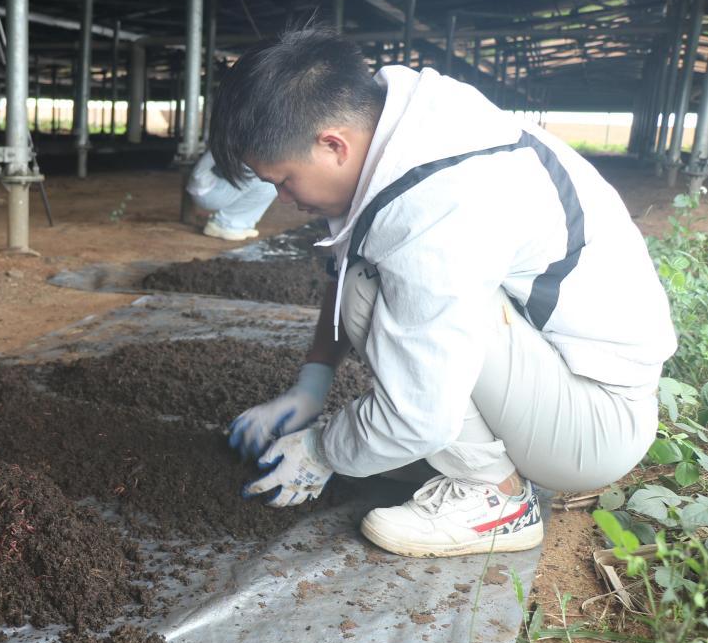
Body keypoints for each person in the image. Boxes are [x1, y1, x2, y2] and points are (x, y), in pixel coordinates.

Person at [213, 29, 676, 558]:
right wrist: (311, 384)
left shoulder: (436, 207)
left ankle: (496, 500)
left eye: (283, 179)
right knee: (370, 279)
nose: (283, 198)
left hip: (594, 421)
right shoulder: (407, 130)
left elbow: (420, 415)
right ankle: (483, 460)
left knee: (381, 290)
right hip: (557, 377)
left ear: (333, 144)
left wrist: (322, 447)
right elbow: (345, 272)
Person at [186, 149, 281, 241]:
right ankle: (224, 224)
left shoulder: (234, 136)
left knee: (267, 179)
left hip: (208, 187)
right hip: (208, 192)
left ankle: (239, 223)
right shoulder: (236, 139)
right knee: (268, 182)